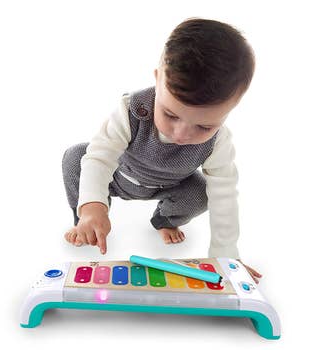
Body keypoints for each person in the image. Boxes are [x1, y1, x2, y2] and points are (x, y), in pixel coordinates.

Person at [62, 18, 262, 283]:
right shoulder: (131, 110)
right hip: (118, 177)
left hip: (168, 186)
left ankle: (165, 220)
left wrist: (226, 258)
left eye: (203, 126)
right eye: (170, 114)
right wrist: (91, 206)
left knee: (202, 192)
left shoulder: (220, 143)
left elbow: (223, 196)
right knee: (76, 157)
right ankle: (89, 220)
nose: (181, 135)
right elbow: (100, 157)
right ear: (158, 80)